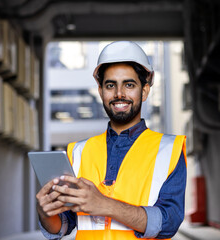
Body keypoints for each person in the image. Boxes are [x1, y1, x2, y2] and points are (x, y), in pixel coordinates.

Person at [36, 41, 187, 240]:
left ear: (145, 90)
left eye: (129, 85)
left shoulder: (169, 150)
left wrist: (104, 204)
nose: (119, 94)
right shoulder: (78, 152)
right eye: (110, 85)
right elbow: (63, 225)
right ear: (100, 91)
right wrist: (45, 212)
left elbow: (169, 222)